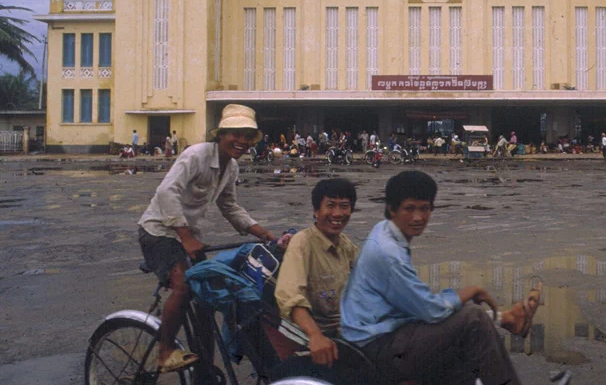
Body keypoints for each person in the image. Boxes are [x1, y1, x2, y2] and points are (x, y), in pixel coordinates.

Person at [340, 171, 542, 385]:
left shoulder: (383, 230)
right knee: (472, 318)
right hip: (376, 348)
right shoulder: (388, 253)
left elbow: (419, 305)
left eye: (424, 208)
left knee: (460, 340)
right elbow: (430, 310)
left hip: (381, 335)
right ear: (392, 209)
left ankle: (507, 320)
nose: (418, 218)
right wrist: (470, 291)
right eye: (409, 209)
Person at [137, 104, 276, 373]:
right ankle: (165, 351)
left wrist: (262, 233)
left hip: (188, 237)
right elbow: (167, 192)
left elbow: (230, 206)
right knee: (184, 285)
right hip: (158, 232)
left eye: (248, 136)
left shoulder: (231, 167)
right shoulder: (196, 155)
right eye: (235, 134)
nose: (242, 142)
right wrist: (186, 237)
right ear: (221, 134)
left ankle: (204, 369)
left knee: (207, 297)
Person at [275, 179, 359, 369]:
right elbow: (290, 296)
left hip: (349, 328)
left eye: (344, 206)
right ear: (316, 211)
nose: (337, 213)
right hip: (321, 335)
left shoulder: (344, 243)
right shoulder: (302, 242)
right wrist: (315, 335)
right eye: (330, 206)